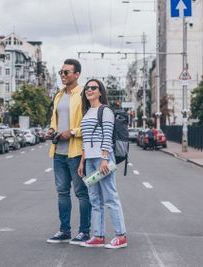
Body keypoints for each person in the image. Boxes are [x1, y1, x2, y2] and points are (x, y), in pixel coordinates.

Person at [46, 59, 92, 245]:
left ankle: (84, 232)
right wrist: (51, 131)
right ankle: (64, 230)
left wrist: (72, 132)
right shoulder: (58, 95)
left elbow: (91, 125)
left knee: (81, 193)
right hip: (59, 152)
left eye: (67, 72)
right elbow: (53, 120)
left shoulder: (83, 94)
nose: (63, 75)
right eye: (61, 72)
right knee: (62, 192)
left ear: (77, 74)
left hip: (77, 153)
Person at [78, 79, 127, 249]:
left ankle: (121, 236)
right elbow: (85, 139)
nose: (89, 90)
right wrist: (82, 161)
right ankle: (98, 236)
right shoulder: (86, 112)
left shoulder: (105, 111)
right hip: (90, 161)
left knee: (110, 197)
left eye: (93, 87)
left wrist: (105, 158)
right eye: (87, 88)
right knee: (95, 199)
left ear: (100, 92)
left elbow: (107, 135)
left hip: (102, 159)